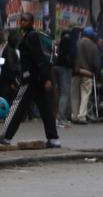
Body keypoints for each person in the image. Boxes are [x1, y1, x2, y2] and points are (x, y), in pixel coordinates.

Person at [0, 13, 60, 148]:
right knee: (46, 110)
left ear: (32, 22)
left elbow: (40, 59)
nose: (22, 22)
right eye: (21, 20)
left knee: (16, 107)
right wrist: (45, 78)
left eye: (25, 20)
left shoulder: (32, 36)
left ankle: (5, 137)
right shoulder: (28, 36)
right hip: (37, 79)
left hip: (31, 79)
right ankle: (54, 139)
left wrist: (47, 79)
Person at [71, 26, 100, 125]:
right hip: (87, 73)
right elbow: (96, 63)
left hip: (75, 72)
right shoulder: (93, 46)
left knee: (74, 94)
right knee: (85, 95)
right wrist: (96, 72)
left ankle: (74, 115)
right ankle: (81, 116)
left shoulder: (76, 43)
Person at [53, 30, 74, 126]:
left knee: (59, 92)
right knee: (65, 93)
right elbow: (71, 55)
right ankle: (61, 118)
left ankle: (60, 116)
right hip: (65, 68)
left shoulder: (61, 42)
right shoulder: (70, 40)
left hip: (57, 66)